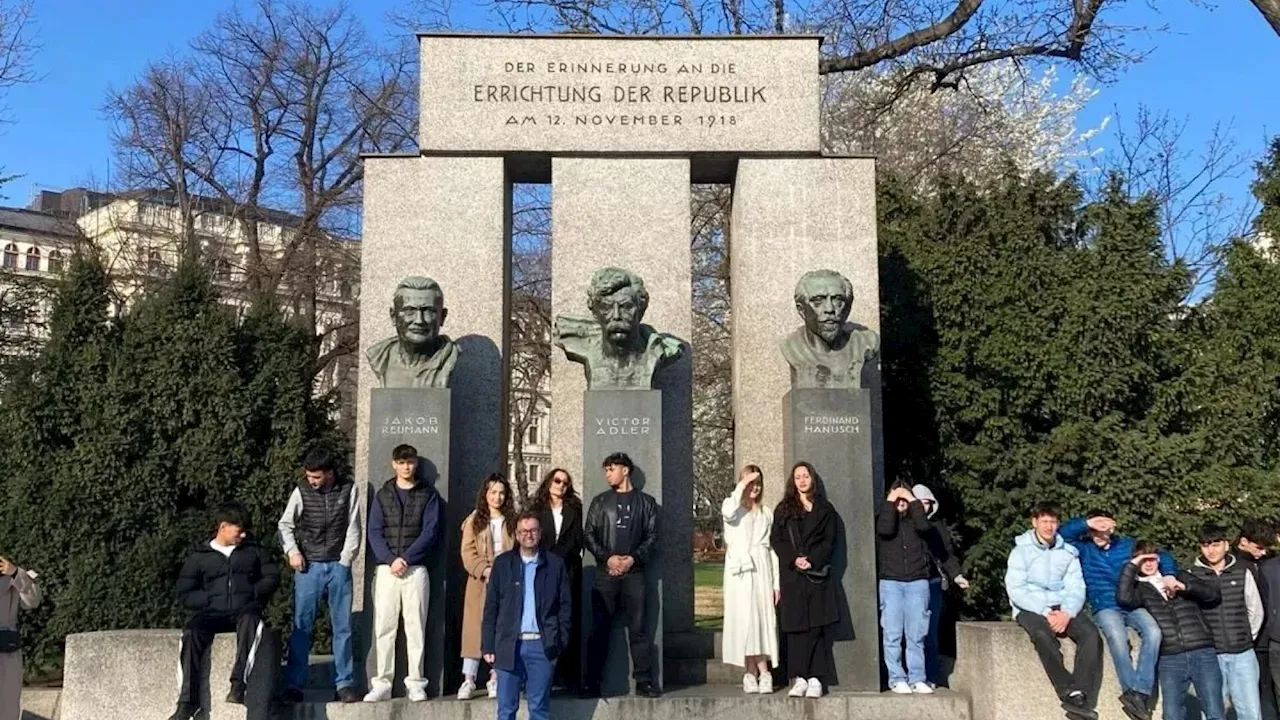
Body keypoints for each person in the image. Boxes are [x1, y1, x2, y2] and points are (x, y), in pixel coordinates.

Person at [1060, 509, 1176, 719]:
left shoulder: (1127, 545)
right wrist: (1087, 523)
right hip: (1105, 605)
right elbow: (1062, 534)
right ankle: (1131, 692)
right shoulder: (1083, 548)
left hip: (1132, 602)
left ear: (1113, 528)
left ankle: (1139, 692)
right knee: (1117, 638)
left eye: (1104, 528)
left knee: (1154, 632)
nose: (1100, 534)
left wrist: (1169, 574)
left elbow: (1162, 554)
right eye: (1096, 529)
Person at [168, 502, 280, 720]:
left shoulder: (254, 551)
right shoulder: (200, 556)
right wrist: (208, 600)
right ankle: (187, 703)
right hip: (212, 612)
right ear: (223, 527)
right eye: (239, 529)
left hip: (244, 608)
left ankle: (239, 684)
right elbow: (185, 590)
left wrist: (252, 594)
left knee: (252, 622)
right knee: (191, 633)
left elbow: (271, 577)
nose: (244, 534)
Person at [277, 447, 361, 704]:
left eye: (316, 476)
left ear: (329, 473)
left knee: (343, 628)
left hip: (338, 565)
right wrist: (292, 552)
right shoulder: (301, 491)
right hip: (309, 567)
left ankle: (344, 682)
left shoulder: (349, 489)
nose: (311, 481)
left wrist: (346, 560)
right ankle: (294, 683)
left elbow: (354, 525)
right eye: (309, 476)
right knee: (302, 626)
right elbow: (285, 525)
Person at [1004, 502, 1101, 720]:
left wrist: (1067, 613)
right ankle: (1067, 690)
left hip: (1063, 606)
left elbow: (1077, 587)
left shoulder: (1068, 552)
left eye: (1053, 521)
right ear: (1035, 522)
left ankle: (1081, 692)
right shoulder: (1020, 551)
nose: (1049, 526)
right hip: (1031, 606)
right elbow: (1016, 589)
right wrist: (1046, 612)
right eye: (1044, 521)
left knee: (1091, 635)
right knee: (1041, 635)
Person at [365, 444, 441, 702]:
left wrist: (406, 559)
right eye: (401, 462)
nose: (406, 467)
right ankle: (382, 683)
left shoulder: (428, 495)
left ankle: (416, 682)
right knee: (384, 628)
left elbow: (430, 533)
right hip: (387, 570)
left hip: (416, 569)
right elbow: (374, 531)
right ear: (393, 464)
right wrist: (390, 559)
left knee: (416, 628)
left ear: (415, 464)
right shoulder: (383, 495)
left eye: (410, 462)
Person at [582, 452, 661, 698]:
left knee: (639, 630)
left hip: (635, 574)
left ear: (625, 470)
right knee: (599, 628)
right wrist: (608, 558)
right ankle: (591, 682)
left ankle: (644, 681)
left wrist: (632, 559)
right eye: (605, 470)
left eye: (611, 469)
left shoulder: (646, 503)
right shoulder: (599, 502)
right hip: (605, 574)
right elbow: (589, 534)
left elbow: (653, 536)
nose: (607, 474)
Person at [482, 512, 573, 720]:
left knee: (539, 709)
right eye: (523, 531)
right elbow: (491, 607)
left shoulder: (555, 565)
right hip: (508, 645)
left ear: (540, 533)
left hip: (541, 645)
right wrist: (488, 644)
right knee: (505, 710)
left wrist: (560, 640)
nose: (528, 535)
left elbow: (564, 607)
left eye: (533, 530)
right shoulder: (503, 564)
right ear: (516, 534)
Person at [1118, 540, 1224, 720]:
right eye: (1143, 560)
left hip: (1202, 651)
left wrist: (1183, 586)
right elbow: (1124, 599)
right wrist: (1131, 567)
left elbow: (1212, 594)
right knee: (1172, 714)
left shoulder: (1179, 575)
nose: (1149, 564)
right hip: (1170, 657)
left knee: (1214, 710)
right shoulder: (1139, 588)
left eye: (1152, 559)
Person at [771, 461, 838, 699]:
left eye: (805, 476)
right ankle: (798, 677)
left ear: (813, 479)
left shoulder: (826, 510)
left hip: (816, 576)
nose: (802, 480)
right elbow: (776, 540)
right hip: (793, 576)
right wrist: (794, 559)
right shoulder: (783, 509)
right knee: (796, 629)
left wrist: (812, 559)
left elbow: (829, 541)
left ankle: (816, 678)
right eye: (797, 476)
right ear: (793, 481)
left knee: (815, 629)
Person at [1188, 524, 1264, 720]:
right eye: (1205, 545)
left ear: (1226, 545)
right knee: (1212, 713)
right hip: (1209, 656)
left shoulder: (1242, 571)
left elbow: (1255, 610)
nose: (1211, 550)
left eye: (1215, 544)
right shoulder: (1192, 575)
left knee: (1250, 712)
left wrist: (1246, 636)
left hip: (1243, 654)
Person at [720, 464, 780, 694]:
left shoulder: (766, 513)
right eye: (750, 482)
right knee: (745, 620)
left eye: (757, 483)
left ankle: (762, 672)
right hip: (740, 572)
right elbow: (728, 512)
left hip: (761, 567)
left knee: (762, 619)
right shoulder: (732, 508)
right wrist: (742, 484)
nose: (754, 487)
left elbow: (771, 549)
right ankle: (751, 672)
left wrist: (776, 583)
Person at [458, 473, 516, 700]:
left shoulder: (512, 520)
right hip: (479, 581)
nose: (497, 497)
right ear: (485, 494)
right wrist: (484, 569)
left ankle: (495, 677)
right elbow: (467, 552)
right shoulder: (474, 520)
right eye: (493, 492)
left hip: (507, 581)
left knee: (502, 630)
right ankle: (469, 680)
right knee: (473, 631)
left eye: (501, 492)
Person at [910, 483, 970, 688]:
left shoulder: (936, 527)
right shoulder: (905, 525)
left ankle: (931, 675)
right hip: (908, 583)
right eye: (920, 503)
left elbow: (946, 554)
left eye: (927, 503)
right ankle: (911, 675)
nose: (924, 507)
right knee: (911, 632)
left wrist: (956, 575)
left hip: (932, 583)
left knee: (930, 631)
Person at [531, 468, 584, 692]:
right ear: (549, 482)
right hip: (541, 569)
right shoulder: (536, 509)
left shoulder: (575, 509)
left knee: (566, 620)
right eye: (557, 480)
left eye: (565, 482)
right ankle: (544, 672)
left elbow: (576, 539)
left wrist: (559, 560)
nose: (561, 485)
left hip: (568, 570)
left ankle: (567, 674)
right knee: (543, 619)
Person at [1236, 518, 1277, 720]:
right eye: (1259, 547)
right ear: (1243, 541)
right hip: (1253, 640)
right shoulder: (1238, 566)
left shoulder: (1261, 562)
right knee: (1262, 694)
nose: (1263, 552)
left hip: (1269, 637)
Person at [1, 555, 40, 720]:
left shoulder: (10, 573)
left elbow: (33, 601)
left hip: (5, 651)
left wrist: (16, 573)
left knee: (7, 706)